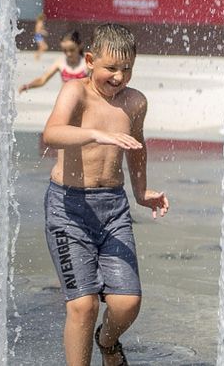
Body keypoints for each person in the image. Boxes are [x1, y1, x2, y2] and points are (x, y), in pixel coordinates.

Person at [41, 23, 169, 366]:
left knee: (127, 302)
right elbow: (52, 133)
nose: (118, 77)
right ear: (90, 60)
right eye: (110, 68)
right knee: (82, 305)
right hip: (69, 207)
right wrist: (96, 134)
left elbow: (137, 147)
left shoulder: (135, 102)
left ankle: (108, 341)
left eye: (127, 69)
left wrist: (141, 192)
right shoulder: (76, 92)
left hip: (112, 208)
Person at [19, 30, 88, 93]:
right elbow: (42, 80)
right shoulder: (60, 62)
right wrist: (28, 86)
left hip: (84, 102)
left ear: (80, 46)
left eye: (72, 50)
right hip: (66, 102)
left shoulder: (87, 61)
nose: (68, 53)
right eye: (65, 50)